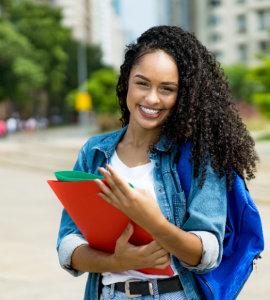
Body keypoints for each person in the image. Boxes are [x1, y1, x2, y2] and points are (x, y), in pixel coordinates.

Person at [57, 26, 258, 300]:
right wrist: (117, 262)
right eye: (142, 83)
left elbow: (206, 253)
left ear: (182, 96)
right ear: (127, 80)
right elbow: (68, 245)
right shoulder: (94, 152)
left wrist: (151, 221)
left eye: (167, 89)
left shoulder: (199, 155)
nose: (152, 98)